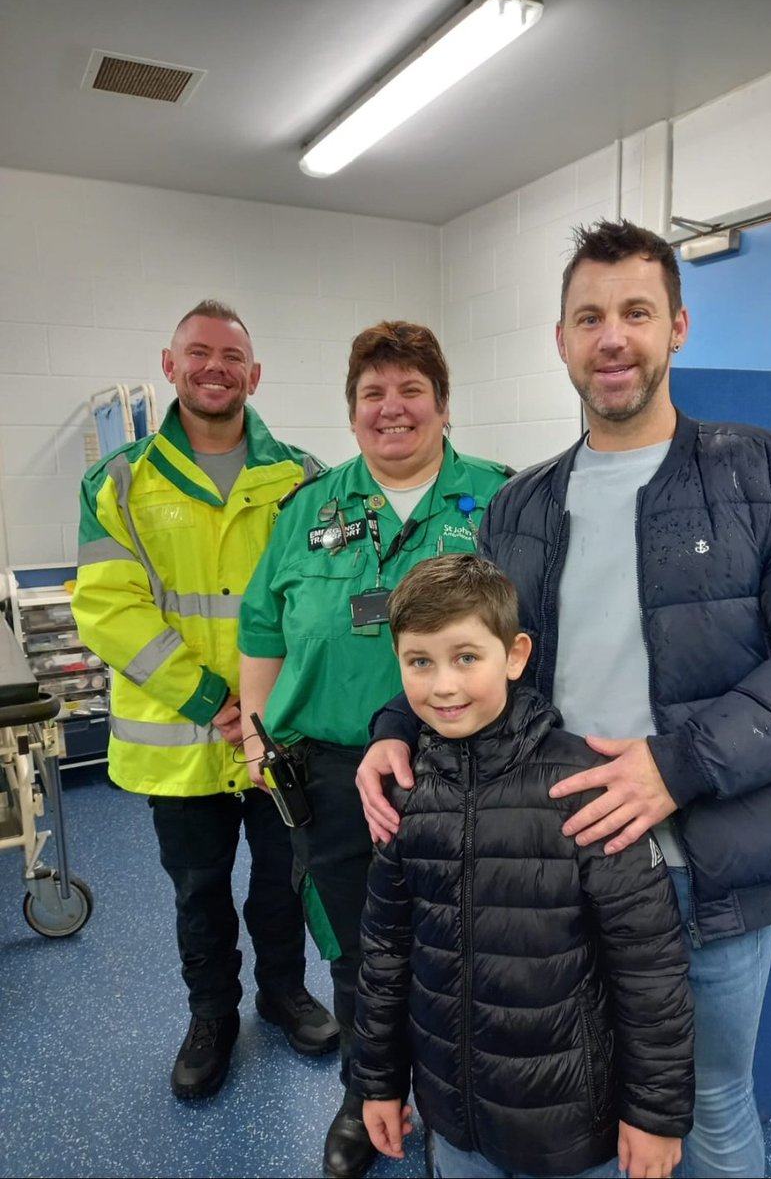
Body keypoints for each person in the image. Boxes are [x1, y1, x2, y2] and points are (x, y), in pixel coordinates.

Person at [355, 221, 771, 1178]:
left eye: (636, 312)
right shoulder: (520, 506)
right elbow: (474, 649)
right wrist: (395, 729)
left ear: (677, 326)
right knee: (581, 1111)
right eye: (589, 316)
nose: (613, 337)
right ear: (560, 340)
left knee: (712, 1105)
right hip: (550, 872)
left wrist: (673, 766)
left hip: (706, 872)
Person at [237, 320, 513, 1178]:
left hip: (469, 765)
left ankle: (464, 1094)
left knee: (475, 941)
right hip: (330, 773)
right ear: (351, 409)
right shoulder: (304, 511)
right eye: (372, 394)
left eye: (410, 392)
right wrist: (255, 729)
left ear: (441, 403)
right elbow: (258, 626)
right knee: (361, 948)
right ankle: (367, 1096)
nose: (390, 410)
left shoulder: (502, 500)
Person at [352, 552, 695, 1179]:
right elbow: (385, 952)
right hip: (454, 1121)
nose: (444, 685)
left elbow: (650, 971)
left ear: (514, 656)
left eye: (466, 658)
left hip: (570, 1127)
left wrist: (655, 1115)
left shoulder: (586, 790)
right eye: (419, 662)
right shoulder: (405, 793)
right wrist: (375, 1082)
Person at [71, 299, 339, 1102]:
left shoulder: (304, 478)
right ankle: (211, 1017)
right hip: (178, 738)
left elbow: (319, 602)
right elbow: (108, 608)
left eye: (230, 356)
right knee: (198, 889)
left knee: (282, 881)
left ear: (253, 375)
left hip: (279, 736)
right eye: (198, 353)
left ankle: (284, 995)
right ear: (170, 365)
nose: (214, 367)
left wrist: (268, 707)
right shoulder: (118, 481)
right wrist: (212, 699)